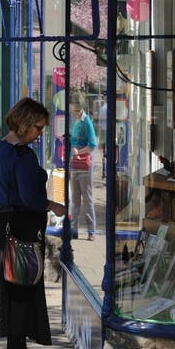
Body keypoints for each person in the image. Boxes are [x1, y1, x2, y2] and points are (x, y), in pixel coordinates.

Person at [0, 97, 66, 349]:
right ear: (24, 124)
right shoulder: (22, 156)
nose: (40, 133)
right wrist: (53, 206)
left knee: (17, 286)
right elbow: (31, 197)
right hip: (22, 226)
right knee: (20, 289)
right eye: (38, 127)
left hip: (5, 223)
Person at [68, 94, 98, 240]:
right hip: (74, 165)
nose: (69, 107)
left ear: (76, 106)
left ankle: (91, 230)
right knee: (75, 199)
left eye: (71, 105)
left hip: (84, 166)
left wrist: (78, 151)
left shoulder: (86, 122)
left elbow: (93, 144)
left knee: (87, 198)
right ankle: (73, 229)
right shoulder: (74, 121)